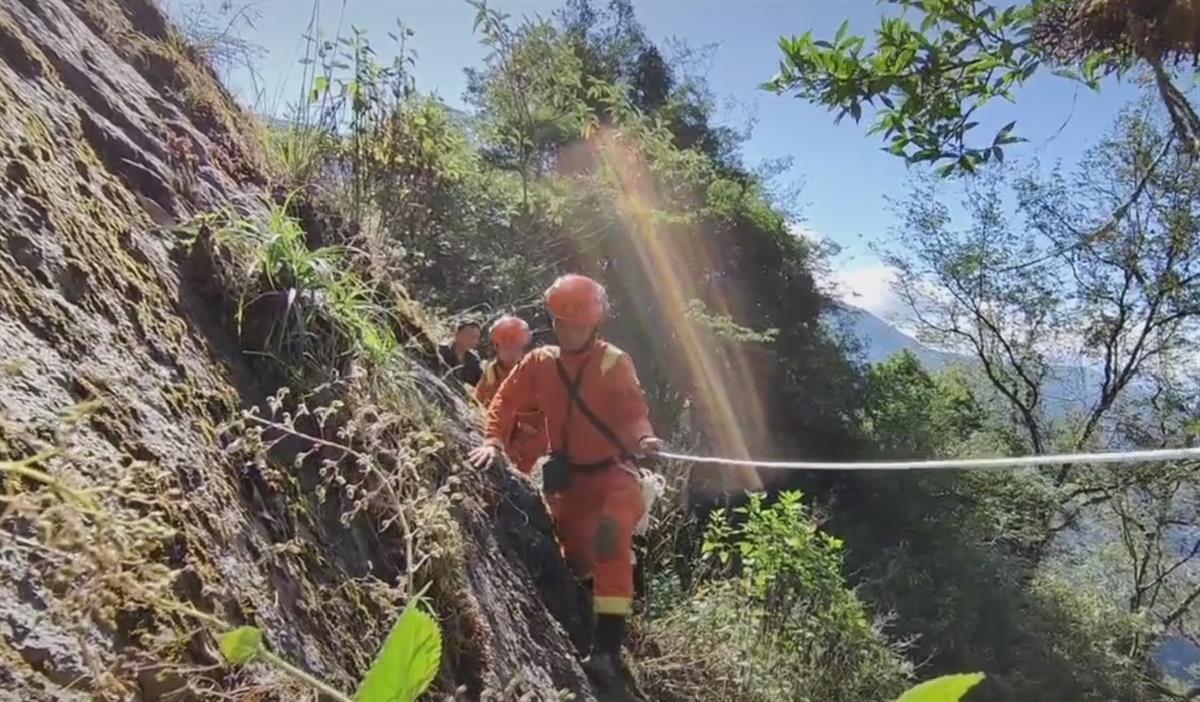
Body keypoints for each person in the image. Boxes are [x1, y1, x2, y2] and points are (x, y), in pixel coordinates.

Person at [469, 274, 662, 682]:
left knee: (610, 537)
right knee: (575, 558)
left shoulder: (613, 362)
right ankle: (604, 606)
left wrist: (644, 438)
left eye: (576, 323)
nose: (567, 330)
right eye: (560, 322)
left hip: (615, 473)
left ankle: (607, 648)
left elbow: (633, 413)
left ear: (594, 324)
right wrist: (493, 440)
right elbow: (505, 400)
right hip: (569, 479)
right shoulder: (540, 362)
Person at [474, 315, 548, 474]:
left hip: (527, 438)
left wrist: (535, 424)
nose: (512, 353)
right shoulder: (491, 372)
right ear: (496, 346)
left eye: (516, 348)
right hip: (497, 429)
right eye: (507, 348)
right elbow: (479, 400)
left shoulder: (533, 373)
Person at [438, 320, 483, 386]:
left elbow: (479, 384)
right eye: (469, 336)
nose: (473, 340)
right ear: (457, 333)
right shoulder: (441, 351)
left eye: (476, 338)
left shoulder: (474, 360)